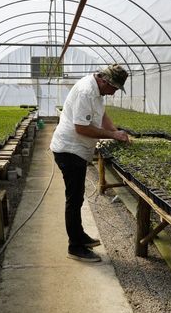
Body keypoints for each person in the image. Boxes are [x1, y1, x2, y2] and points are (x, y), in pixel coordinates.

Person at [50, 63, 130, 262]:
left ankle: (80, 236)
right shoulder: (87, 92)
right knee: (74, 199)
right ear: (105, 81)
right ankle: (75, 247)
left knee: (77, 197)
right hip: (69, 150)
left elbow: (102, 115)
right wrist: (112, 134)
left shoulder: (97, 91)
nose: (113, 93)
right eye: (113, 88)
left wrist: (116, 132)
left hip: (77, 150)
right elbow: (82, 128)